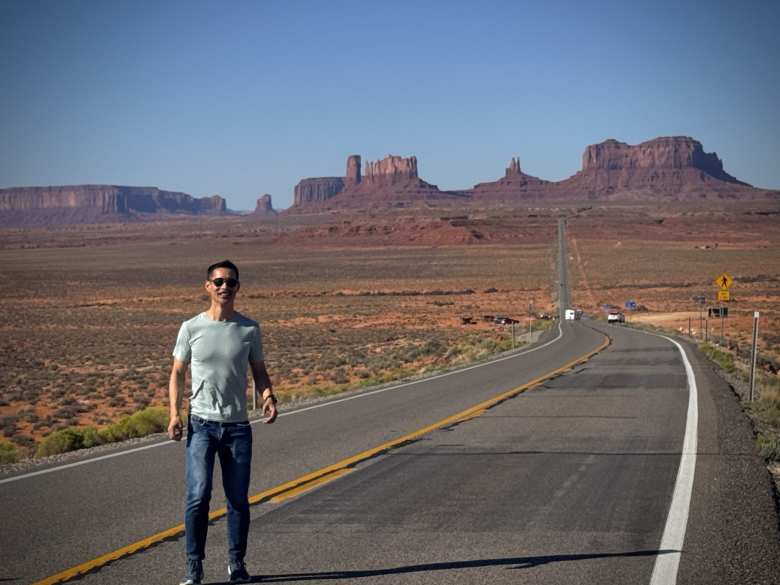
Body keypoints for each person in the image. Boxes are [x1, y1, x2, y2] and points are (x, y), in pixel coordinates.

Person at [168, 259, 278, 585]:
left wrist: (268, 397)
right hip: (201, 424)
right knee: (198, 495)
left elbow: (259, 371)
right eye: (218, 282)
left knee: (238, 500)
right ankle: (194, 567)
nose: (224, 287)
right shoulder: (191, 328)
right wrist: (174, 414)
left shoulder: (249, 329)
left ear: (238, 287)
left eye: (230, 282)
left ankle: (236, 563)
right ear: (208, 287)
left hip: (237, 427)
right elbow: (177, 372)